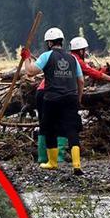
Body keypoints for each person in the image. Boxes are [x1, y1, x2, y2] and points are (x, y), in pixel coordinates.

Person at [22, 27, 85, 175]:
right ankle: (77, 165)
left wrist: (26, 58)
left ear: (49, 43)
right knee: (72, 130)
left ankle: (52, 162)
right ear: (61, 41)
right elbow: (81, 81)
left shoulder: (47, 56)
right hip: (70, 98)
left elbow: (30, 72)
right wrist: (78, 98)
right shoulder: (73, 58)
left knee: (49, 129)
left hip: (52, 98)